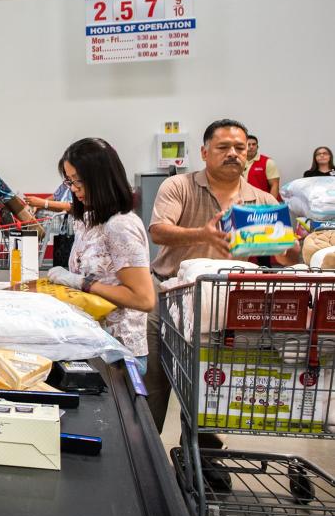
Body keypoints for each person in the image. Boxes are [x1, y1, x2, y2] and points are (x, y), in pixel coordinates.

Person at [146, 119, 278, 431]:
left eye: (239, 148)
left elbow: (283, 256)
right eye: (223, 147)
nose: (233, 153)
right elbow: (159, 231)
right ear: (205, 152)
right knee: (154, 379)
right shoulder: (179, 186)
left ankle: (205, 457)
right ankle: (145, 451)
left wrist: (289, 244)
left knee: (212, 385)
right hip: (167, 295)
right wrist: (203, 235)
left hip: (221, 308)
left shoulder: (262, 201)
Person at [44, 139, 156, 374]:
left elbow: (143, 299)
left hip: (119, 352)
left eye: (79, 181)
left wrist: (81, 283)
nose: (73, 188)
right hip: (92, 343)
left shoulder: (120, 226)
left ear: (101, 179)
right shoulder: (89, 220)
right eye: (69, 180)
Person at [244, 134, 281, 199]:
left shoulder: (268, 162)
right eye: (248, 144)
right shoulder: (239, 162)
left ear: (257, 147)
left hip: (265, 203)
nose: (251, 147)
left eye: (254, 144)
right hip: (247, 201)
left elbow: (275, 185)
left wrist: (271, 206)